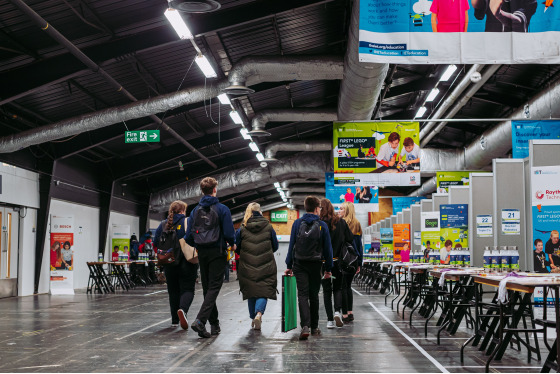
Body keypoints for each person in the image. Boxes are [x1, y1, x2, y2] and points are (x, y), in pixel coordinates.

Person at [185, 177, 236, 338]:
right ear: (215, 189)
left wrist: (199, 244)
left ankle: (214, 325)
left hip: (202, 252)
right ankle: (200, 320)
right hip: (218, 251)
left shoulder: (194, 211)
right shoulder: (222, 209)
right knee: (214, 287)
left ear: (202, 191)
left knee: (208, 289)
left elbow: (188, 237)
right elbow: (228, 233)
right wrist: (232, 243)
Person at [285, 196, 334, 340]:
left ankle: (305, 326)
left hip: (299, 263)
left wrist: (289, 265)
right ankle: (314, 327)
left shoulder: (297, 223)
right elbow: (328, 249)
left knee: (302, 294)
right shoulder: (322, 225)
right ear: (317, 208)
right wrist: (328, 268)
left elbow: (291, 245)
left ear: (306, 207)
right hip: (315, 264)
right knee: (314, 295)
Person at [154, 200, 199, 330]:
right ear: (182, 211)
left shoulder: (163, 224)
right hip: (186, 262)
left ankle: (174, 320)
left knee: (173, 291)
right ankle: (183, 311)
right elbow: (195, 237)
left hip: (169, 263)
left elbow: (156, 242)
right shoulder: (187, 221)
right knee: (188, 289)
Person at [235, 203, 279, 330]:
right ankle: (259, 314)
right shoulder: (269, 227)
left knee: (251, 291)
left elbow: (237, 247)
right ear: (260, 212)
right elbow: (275, 246)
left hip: (247, 266)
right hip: (266, 265)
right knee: (263, 290)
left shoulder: (242, 228)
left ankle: (253, 317)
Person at [320, 198, 353, 329]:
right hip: (338, 261)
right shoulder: (341, 222)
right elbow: (350, 238)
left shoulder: (320, 224)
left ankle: (329, 320)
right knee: (338, 288)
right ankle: (337, 312)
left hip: (323, 262)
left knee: (327, 291)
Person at [339, 201, 363, 323]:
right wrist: (359, 262)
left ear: (347, 211)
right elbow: (359, 246)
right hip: (354, 260)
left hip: (344, 259)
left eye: (341, 209)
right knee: (348, 286)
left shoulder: (342, 224)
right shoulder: (357, 224)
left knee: (343, 286)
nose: (339, 211)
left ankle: (344, 314)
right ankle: (350, 312)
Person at [471, 0, 537, 32]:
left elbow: (518, 22)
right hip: (492, 46)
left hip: (516, 47)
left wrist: (499, 14)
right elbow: (479, 12)